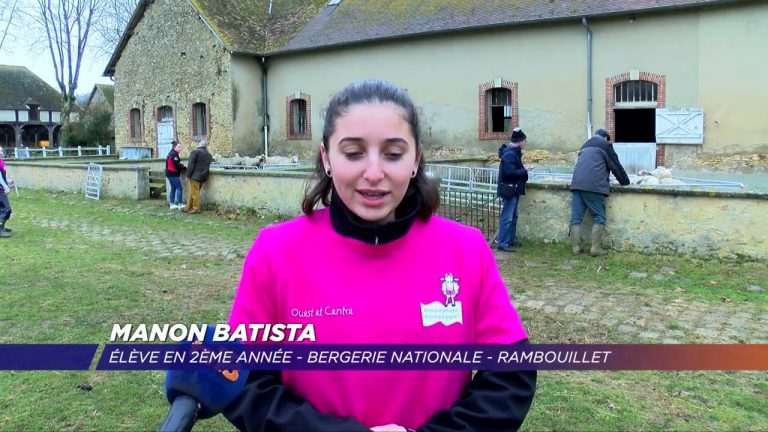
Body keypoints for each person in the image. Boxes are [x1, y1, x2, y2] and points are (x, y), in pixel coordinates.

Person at [224, 80, 536, 431]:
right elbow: (242, 381)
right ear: (327, 158)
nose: (374, 173)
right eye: (353, 153)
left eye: (393, 154)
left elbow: (512, 374)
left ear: (416, 160)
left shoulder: (465, 250)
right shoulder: (276, 252)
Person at [569, 128, 630, 256]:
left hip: (577, 184)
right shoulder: (604, 145)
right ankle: (595, 248)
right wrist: (625, 182)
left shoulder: (584, 146)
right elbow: (615, 166)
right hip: (593, 185)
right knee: (599, 217)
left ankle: (575, 248)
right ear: (605, 138)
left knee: (576, 218)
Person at [496, 127, 530, 252]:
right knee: (507, 217)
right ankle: (503, 243)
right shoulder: (510, 154)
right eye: (525, 140)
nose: (526, 143)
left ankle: (510, 240)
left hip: (513, 189)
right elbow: (509, 172)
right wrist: (525, 170)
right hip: (509, 189)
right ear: (520, 141)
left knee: (513, 216)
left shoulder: (513, 153)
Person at [183, 139, 213, 214]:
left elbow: (191, 164)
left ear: (199, 145)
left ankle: (196, 208)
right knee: (193, 192)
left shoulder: (195, 152)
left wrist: (188, 175)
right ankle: (188, 207)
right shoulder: (209, 155)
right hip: (204, 176)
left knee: (195, 193)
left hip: (195, 176)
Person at [165, 140, 186, 210]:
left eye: (180, 147)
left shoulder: (172, 153)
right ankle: (180, 204)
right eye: (179, 147)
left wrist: (182, 166)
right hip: (173, 174)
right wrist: (185, 167)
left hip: (169, 173)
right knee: (179, 188)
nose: (180, 148)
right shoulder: (173, 154)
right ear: (174, 147)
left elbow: (176, 164)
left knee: (173, 188)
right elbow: (177, 164)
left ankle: (172, 204)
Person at [0, 147, 13, 237]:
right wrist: (5, 187)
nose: (1, 152)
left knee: (2, 209)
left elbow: (3, 175)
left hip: (2, 188)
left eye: (1, 150)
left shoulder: (1, 162)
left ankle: (2, 227)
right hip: (0, 190)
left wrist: (8, 180)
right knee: (6, 209)